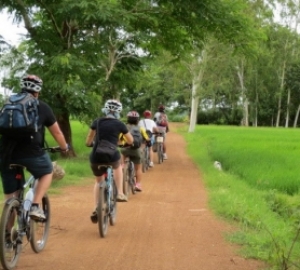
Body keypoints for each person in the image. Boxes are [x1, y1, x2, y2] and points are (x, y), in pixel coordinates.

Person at [0, 74, 69, 220]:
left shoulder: (8, 103)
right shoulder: (41, 106)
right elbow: (57, 132)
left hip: (6, 154)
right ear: (38, 90)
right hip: (31, 153)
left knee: (10, 198)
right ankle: (35, 206)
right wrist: (64, 148)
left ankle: (7, 235)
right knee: (47, 171)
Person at [85, 99, 133, 223]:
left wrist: (89, 144)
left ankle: (96, 207)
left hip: (96, 156)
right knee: (117, 166)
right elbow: (130, 140)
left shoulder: (97, 121)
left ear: (105, 110)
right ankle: (120, 193)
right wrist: (125, 143)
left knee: (98, 181)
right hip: (111, 154)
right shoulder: (120, 124)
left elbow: (90, 137)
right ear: (118, 112)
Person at [119, 111, 151, 192]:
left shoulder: (124, 127)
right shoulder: (140, 128)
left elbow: (119, 138)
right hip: (136, 150)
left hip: (125, 149)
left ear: (128, 119)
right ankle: (138, 184)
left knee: (122, 153)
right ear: (137, 120)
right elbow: (146, 138)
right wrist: (148, 142)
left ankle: (122, 166)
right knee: (138, 168)